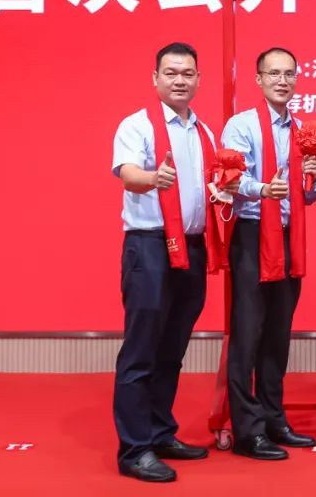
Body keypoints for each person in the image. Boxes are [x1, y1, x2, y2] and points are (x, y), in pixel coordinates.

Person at [111, 42, 235, 482]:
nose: (180, 80)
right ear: (155, 78)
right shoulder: (138, 124)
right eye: (171, 73)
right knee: (142, 350)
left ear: (198, 79)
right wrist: (153, 178)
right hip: (149, 247)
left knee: (172, 349)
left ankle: (161, 433)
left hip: (193, 248)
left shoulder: (204, 133)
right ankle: (134, 449)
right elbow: (128, 174)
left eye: (187, 73)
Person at [219, 47, 316, 460]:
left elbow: (307, 197)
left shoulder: (302, 131)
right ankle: (248, 430)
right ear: (258, 79)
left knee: (279, 332)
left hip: (288, 235)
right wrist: (263, 188)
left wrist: (312, 180)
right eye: (274, 73)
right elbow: (229, 178)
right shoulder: (241, 125)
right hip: (251, 236)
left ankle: (274, 418)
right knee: (248, 333)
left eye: (289, 74)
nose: (282, 81)